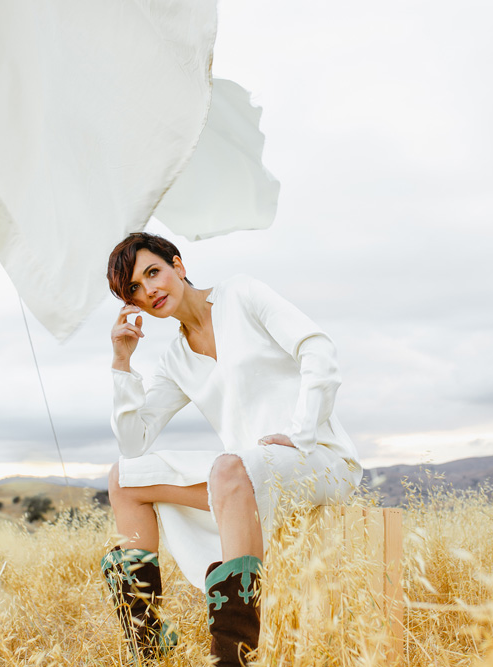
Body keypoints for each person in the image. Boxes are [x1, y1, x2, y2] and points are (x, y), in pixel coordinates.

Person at [101, 232, 361, 666]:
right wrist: (122, 362)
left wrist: (300, 432)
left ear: (178, 265)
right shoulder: (175, 359)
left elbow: (316, 348)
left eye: (154, 272)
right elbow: (133, 443)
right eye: (134, 288)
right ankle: (148, 644)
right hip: (241, 479)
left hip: (318, 459)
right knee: (124, 478)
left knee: (228, 467)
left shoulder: (241, 293)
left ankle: (233, 657)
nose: (149, 290)